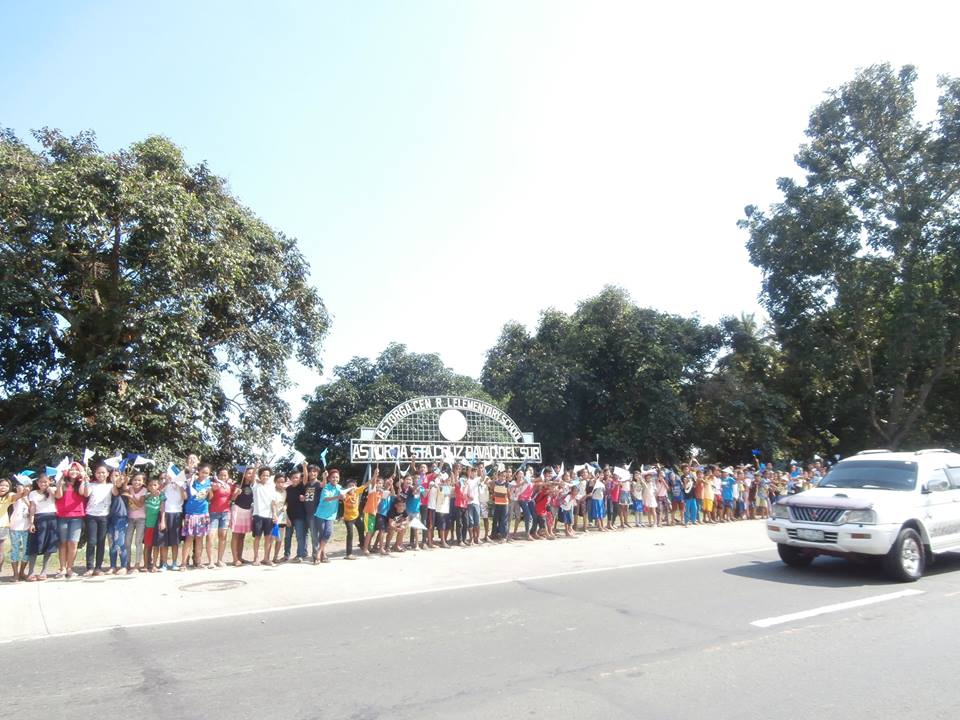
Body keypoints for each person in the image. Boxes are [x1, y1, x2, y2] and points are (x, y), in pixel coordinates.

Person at [55, 462, 88, 579]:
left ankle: (70, 568)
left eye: (77, 470)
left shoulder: (80, 483)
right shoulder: (62, 483)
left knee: (73, 543)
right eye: (71, 469)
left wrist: (84, 479)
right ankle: (62, 568)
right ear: (67, 471)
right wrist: (59, 482)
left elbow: (82, 493)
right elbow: (58, 496)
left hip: (77, 517)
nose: (74, 471)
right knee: (63, 543)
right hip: (62, 516)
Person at [83, 464, 115, 576]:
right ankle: (89, 567)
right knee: (91, 542)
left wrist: (115, 481)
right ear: (94, 474)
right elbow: (86, 494)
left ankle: (98, 568)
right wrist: (86, 482)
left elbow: (115, 493)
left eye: (103, 472)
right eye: (98, 472)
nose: (100, 474)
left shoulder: (111, 486)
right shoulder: (91, 485)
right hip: (91, 515)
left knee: (101, 542)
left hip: (104, 516)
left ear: (107, 474)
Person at [27, 473, 59, 580]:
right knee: (34, 545)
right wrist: (31, 522)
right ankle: (31, 572)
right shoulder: (33, 493)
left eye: (45, 481)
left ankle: (44, 572)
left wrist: (51, 489)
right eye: (41, 482)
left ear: (49, 481)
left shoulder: (53, 490)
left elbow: (58, 496)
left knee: (49, 546)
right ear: (37, 483)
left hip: (51, 518)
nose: (43, 484)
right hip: (38, 519)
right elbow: (32, 508)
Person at [183, 464, 212, 568]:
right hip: (191, 513)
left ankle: (198, 561)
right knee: (189, 538)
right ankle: (183, 563)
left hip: (203, 513)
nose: (204, 474)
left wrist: (210, 491)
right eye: (203, 472)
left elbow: (210, 498)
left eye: (207, 473)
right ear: (198, 472)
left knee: (200, 538)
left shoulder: (209, 483)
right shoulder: (192, 482)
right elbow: (186, 494)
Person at [158, 468, 186, 571]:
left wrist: (179, 485)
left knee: (175, 542)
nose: (170, 477)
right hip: (165, 514)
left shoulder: (181, 485)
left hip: (177, 514)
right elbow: (160, 498)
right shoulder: (164, 486)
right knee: (164, 541)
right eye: (167, 476)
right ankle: (164, 563)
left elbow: (185, 497)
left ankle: (174, 563)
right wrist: (162, 519)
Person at [314, 467, 343, 563]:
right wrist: (338, 497)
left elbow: (344, 496)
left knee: (328, 532)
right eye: (333, 477)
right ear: (329, 478)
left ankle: (318, 552)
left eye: (337, 477)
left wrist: (344, 496)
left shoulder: (339, 487)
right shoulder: (326, 487)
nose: (335, 479)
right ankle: (323, 554)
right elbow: (326, 498)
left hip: (331, 515)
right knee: (322, 533)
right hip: (321, 514)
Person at [207, 467, 234, 567]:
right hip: (213, 513)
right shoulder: (214, 484)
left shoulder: (230, 485)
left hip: (225, 513)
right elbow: (212, 489)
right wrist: (216, 484)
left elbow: (231, 498)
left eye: (225, 475)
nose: (223, 477)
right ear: (217, 476)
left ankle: (220, 560)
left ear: (228, 476)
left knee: (223, 536)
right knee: (210, 537)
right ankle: (211, 561)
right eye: (221, 475)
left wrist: (235, 493)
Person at [251, 467, 276, 566]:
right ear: (260, 476)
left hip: (269, 515)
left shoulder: (271, 487)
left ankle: (266, 558)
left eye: (267, 475)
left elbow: (273, 502)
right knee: (257, 537)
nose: (265, 477)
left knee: (268, 537)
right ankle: (256, 558)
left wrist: (274, 514)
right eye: (263, 475)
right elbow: (253, 477)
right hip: (258, 514)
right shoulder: (255, 485)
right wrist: (256, 467)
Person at [283, 466, 308, 563]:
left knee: (300, 536)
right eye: (293, 477)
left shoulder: (302, 486)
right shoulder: (288, 489)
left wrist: (304, 466)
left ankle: (300, 555)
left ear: (300, 478)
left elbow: (305, 477)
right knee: (287, 536)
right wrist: (286, 517)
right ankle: (286, 555)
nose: (295, 479)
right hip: (289, 516)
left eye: (297, 477)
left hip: (300, 517)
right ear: (290, 478)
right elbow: (285, 503)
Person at [230, 467, 255, 566]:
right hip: (238, 509)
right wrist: (236, 493)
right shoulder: (238, 485)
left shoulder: (253, 485)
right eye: (249, 473)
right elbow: (232, 498)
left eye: (253, 473)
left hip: (247, 511)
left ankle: (240, 557)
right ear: (244, 474)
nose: (251, 475)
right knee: (236, 535)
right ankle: (235, 558)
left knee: (242, 536)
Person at [107, 469, 129, 575]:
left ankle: (124, 566)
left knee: (120, 542)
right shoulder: (108, 487)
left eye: (118, 475)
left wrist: (122, 480)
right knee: (111, 543)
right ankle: (112, 566)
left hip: (121, 518)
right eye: (113, 475)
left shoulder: (125, 488)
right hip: (109, 517)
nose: (116, 477)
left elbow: (119, 489)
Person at [8, 479, 30, 581]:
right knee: (15, 550)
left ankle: (22, 572)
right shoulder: (13, 494)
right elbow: (15, 498)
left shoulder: (30, 497)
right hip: (15, 527)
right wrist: (21, 493)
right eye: (18, 486)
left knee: (26, 551)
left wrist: (26, 497)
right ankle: (15, 574)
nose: (20, 487)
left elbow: (32, 508)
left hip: (26, 527)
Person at [125, 473, 147, 572]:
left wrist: (131, 496)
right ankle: (127, 563)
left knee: (138, 542)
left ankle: (137, 564)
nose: (137, 482)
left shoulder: (144, 491)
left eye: (139, 480)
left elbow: (139, 504)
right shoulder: (129, 488)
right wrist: (126, 480)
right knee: (127, 541)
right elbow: (124, 486)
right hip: (130, 518)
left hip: (141, 519)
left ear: (143, 482)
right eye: (134, 480)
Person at [341, 477, 364, 559]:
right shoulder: (345, 495)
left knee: (362, 529)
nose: (352, 487)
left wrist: (374, 476)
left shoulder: (357, 491)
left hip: (357, 516)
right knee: (350, 534)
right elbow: (342, 497)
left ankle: (362, 544)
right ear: (347, 488)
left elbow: (367, 484)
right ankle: (349, 554)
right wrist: (343, 496)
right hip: (348, 518)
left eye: (353, 485)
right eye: (350, 486)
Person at [143, 477, 163, 572]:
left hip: (157, 524)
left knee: (156, 545)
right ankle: (146, 565)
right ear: (148, 487)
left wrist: (163, 521)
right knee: (147, 545)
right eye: (150, 485)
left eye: (155, 485)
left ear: (159, 486)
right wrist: (149, 495)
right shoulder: (146, 496)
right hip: (148, 524)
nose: (153, 487)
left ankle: (154, 565)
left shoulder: (161, 496)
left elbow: (162, 509)